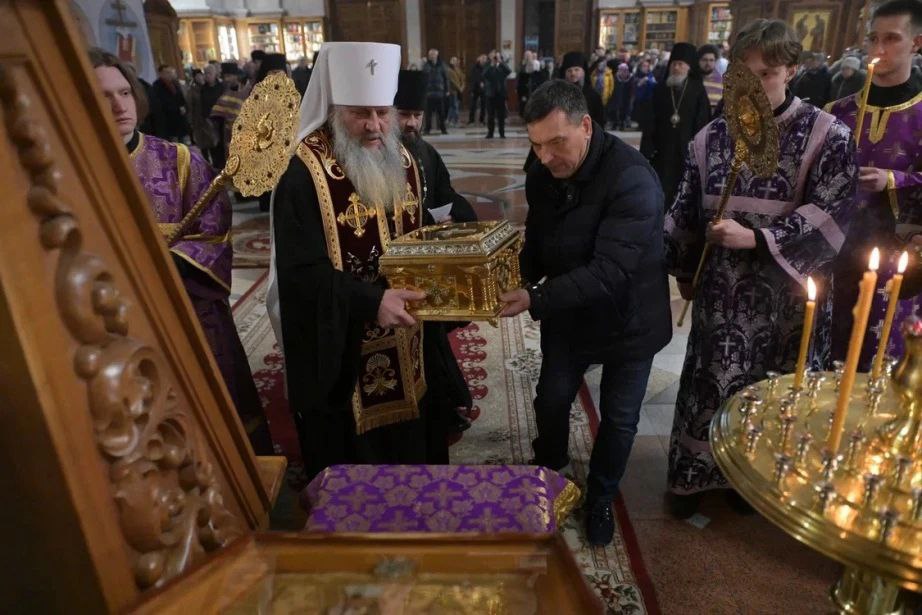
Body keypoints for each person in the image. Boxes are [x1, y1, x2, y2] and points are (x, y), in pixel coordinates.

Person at [664, 19, 857, 517]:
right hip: (721, 295)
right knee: (711, 380)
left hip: (788, 300)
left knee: (769, 391)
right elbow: (685, 210)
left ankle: (753, 483)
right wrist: (682, 268)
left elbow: (832, 211)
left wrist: (757, 238)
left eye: (766, 75)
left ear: (791, 70)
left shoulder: (827, 134)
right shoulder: (712, 137)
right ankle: (696, 476)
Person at [499, 80, 672, 546]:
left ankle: (601, 496)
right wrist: (515, 277)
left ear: (587, 126)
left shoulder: (632, 178)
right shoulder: (542, 172)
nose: (546, 157)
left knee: (619, 418)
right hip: (570, 313)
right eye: (536, 145)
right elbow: (538, 241)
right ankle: (551, 471)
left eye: (557, 142)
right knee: (551, 399)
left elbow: (610, 271)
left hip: (629, 319)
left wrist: (536, 298)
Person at [89, 47, 273, 455]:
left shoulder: (179, 160)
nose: (118, 105)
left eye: (123, 93)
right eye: (103, 96)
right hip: (116, 320)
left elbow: (215, 232)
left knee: (213, 402)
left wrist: (167, 262)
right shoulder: (73, 172)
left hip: (189, 307)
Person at [268, 42, 436, 480]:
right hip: (339, 354)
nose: (375, 125)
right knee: (352, 473)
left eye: (383, 112)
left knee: (408, 461)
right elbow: (299, 274)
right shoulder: (301, 174)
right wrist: (371, 301)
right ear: (334, 108)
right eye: (360, 113)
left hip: (405, 339)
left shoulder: (404, 159)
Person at [828, 0, 922, 369]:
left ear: (916, 43)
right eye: (873, 38)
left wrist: (894, 179)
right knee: (826, 362)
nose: (878, 49)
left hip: (898, 261)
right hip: (835, 256)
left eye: (891, 39)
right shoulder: (836, 112)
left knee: (881, 365)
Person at [393, 69, 479, 447]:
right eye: (404, 115)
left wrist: (459, 216)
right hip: (395, 267)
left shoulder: (426, 151)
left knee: (430, 336)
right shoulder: (376, 157)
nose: (412, 123)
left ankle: (440, 406)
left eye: (417, 115)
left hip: (427, 260)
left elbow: (446, 193)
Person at [640, 42, 711, 210]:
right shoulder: (660, 89)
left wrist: (698, 149)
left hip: (687, 151)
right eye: (674, 64)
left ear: (689, 67)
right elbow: (650, 120)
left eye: (680, 64)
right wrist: (647, 148)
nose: (676, 68)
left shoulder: (697, 90)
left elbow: (702, 121)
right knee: (660, 191)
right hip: (662, 151)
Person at [209, 62, 249, 171]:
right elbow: (216, 112)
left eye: (229, 76)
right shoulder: (221, 89)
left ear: (236, 76)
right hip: (225, 131)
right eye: (225, 76)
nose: (226, 79)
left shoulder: (245, 90)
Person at [559, 51, 605, 126]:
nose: (573, 73)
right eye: (569, 70)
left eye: (576, 69)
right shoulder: (558, 95)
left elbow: (599, 122)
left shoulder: (594, 96)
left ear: (583, 72)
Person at [148, 64, 188, 142]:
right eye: (167, 72)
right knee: (173, 143)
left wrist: (183, 106)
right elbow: (161, 104)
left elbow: (180, 97)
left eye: (170, 72)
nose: (169, 74)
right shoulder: (156, 87)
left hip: (179, 119)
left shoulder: (174, 83)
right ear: (161, 74)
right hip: (168, 121)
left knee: (183, 142)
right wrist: (176, 108)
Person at [483, 50, 511, 138]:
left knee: (501, 115)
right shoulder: (488, 65)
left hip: (501, 94)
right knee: (490, 115)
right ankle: (490, 133)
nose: (495, 58)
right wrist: (491, 64)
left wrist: (500, 62)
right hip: (490, 94)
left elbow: (508, 71)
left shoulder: (502, 65)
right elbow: (484, 74)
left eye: (497, 56)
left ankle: (502, 133)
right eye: (494, 56)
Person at [421, 48, 449, 134]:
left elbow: (446, 78)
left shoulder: (442, 65)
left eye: (433, 54)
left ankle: (443, 129)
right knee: (428, 114)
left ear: (437, 55)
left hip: (439, 92)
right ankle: (427, 129)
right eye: (430, 55)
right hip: (429, 93)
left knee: (441, 113)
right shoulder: (426, 65)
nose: (432, 56)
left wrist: (447, 90)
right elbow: (423, 78)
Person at [698, 44, 724, 114]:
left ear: (715, 61)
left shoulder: (722, 82)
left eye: (711, 60)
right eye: (704, 60)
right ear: (698, 61)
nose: (708, 63)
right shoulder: (692, 81)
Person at [590, 57, 614, 126]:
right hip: (596, 93)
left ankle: (604, 122)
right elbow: (591, 82)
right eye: (600, 63)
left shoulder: (608, 73)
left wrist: (610, 93)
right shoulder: (594, 73)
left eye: (603, 63)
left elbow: (611, 84)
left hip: (605, 94)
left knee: (604, 109)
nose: (601, 65)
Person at [611, 63, 633, 130]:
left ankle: (622, 123)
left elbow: (632, 89)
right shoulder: (615, 77)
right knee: (615, 110)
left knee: (624, 110)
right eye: (621, 70)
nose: (623, 72)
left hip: (626, 97)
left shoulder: (630, 78)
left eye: (625, 70)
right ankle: (615, 123)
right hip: (616, 96)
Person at [446, 56, 465, 128]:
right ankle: (456, 121)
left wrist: (462, 86)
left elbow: (462, 78)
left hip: (459, 90)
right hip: (453, 90)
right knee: (455, 106)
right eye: (453, 60)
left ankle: (448, 120)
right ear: (450, 61)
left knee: (452, 106)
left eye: (456, 60)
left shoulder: (458, 69)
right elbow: (453, 81)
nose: (455, 62)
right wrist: (459, 88)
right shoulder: (449, 70)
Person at [468, 54, 488, 125]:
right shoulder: (474, 67)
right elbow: (473, 77)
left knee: (483, 105)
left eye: (485, 59)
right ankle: (471, 120)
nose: (484, 60)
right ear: (479, 59)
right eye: (482, 58)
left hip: (484, 89)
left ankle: (482, 120)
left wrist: (484, 83)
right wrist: (479, 82)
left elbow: (488, 76)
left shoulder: (487, 67)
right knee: (472, 105)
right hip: (475, 88)